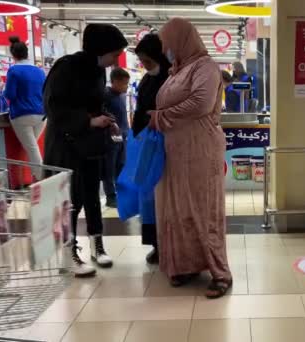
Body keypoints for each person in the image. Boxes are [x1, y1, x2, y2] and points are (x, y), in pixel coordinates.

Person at [149, 18, 232, 299]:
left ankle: (221, 273)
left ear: (182, 40)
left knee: (204, 208)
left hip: (200, 152)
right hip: (175, 153)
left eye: (168, 43)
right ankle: (186, 265)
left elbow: (201, 103)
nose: (165, 49)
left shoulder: (205, 67)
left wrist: (161, 117)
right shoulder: (177, 71)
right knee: (179, 209)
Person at [43, 23, 128, 277]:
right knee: (70, 200)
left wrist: (107, 120)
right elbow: (53, 107)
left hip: (91, 145)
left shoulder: (98, 71)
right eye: (114, 54)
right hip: (66, 146)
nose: (116, 61)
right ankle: (68, 251)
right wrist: (88, 121)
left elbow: (96, 102)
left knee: (92, 194)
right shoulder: (66, 67)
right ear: (100, 49)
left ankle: (96, 244)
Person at [132, 33, 171, 265]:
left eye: (148, 60)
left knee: (166, 197)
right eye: (142, 61)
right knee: (149, 198)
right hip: (148, 145)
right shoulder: (146, 81)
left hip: (169, 147)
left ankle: (171, 244)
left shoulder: (172, 79)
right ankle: (156, 245)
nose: (145, 66)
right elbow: (139, 111)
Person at [4, 36, 47, 181]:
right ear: (27, 53)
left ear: (13, 55)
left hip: (22, 115)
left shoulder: (14, 71)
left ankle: (42, 179)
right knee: (32, 147)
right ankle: (35, 177)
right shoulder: (40, 71)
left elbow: (10, 94)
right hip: (42, 114)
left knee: (31, 148)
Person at [102, 68, 130, 209]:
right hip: (110, 139)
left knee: (121, 165)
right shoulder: (106, 95)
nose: (126, 86)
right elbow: (103, 113)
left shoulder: (121, 96)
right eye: (124, 84)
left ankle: (121, 193)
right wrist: (112, 123)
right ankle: (110, 196)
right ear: (115, 82)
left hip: (122, 138)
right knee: (109, 168)